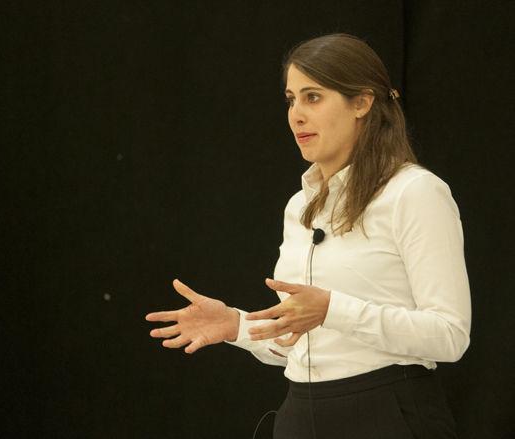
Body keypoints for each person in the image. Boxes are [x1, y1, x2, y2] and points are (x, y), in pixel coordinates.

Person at [145, 33, 470, 439]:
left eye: (312, 97)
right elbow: (303, 341)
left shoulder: (414, 192)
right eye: (291, 99)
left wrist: (333, 309)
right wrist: (235, 325)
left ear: (362, 103)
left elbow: (449, 335)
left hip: (387, 414)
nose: (296, 115)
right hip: (302, 415)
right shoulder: (299, 206)